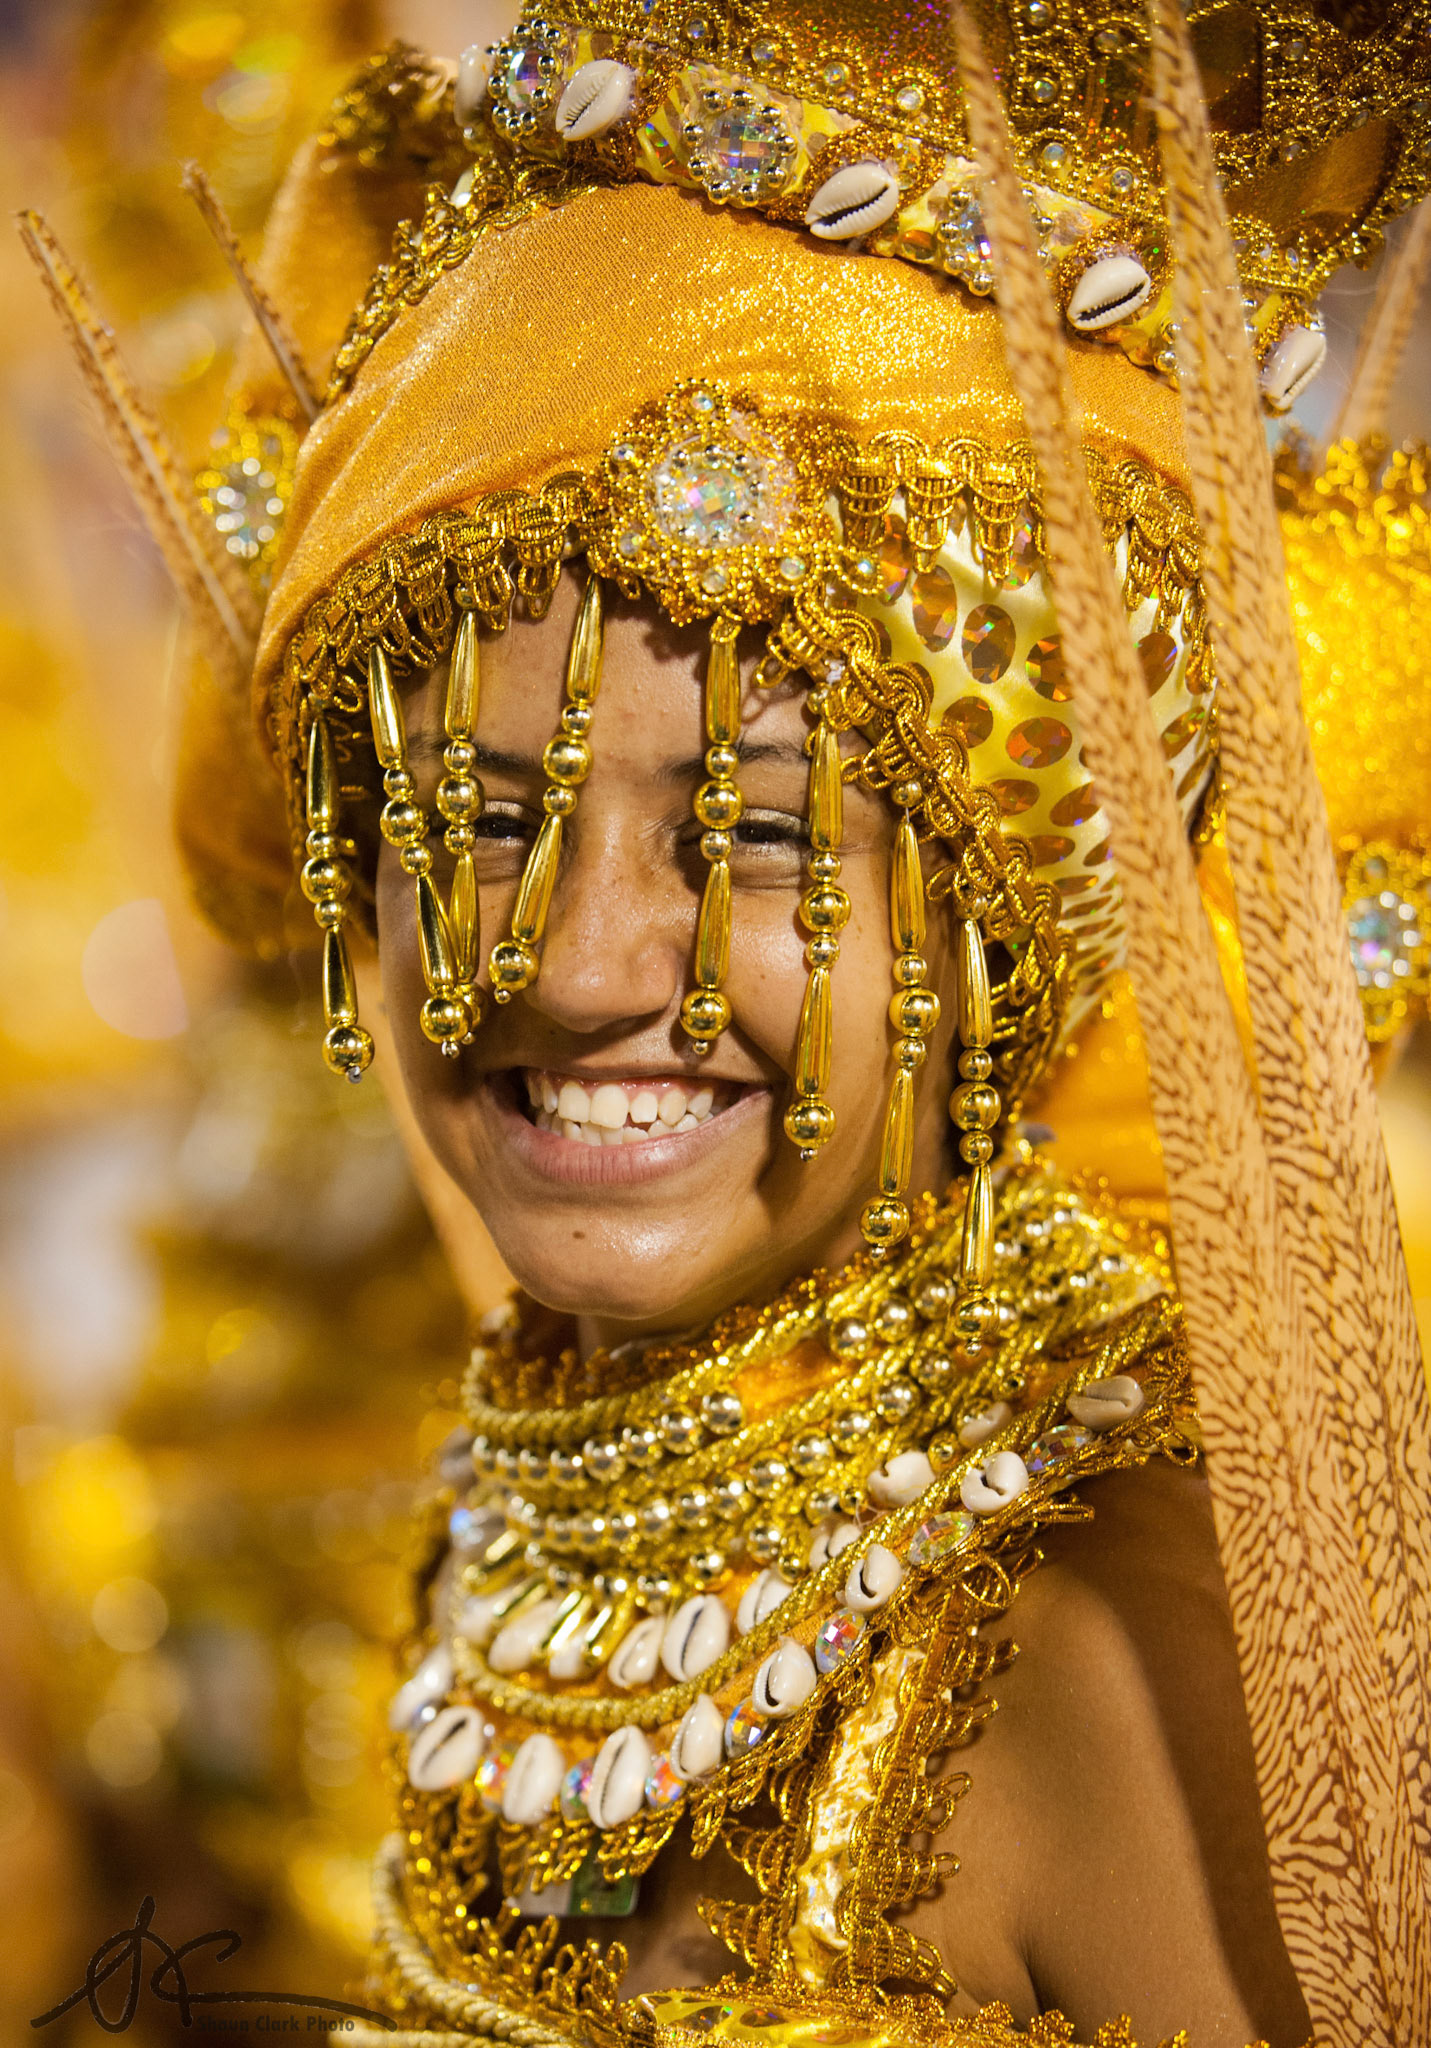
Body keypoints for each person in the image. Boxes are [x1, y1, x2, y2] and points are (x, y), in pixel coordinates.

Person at [24, 3, 1431, 2043]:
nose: (582, 965)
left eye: (757, 835)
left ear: (1002, 903)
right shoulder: (557, 1472)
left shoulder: (1118, 1634)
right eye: (478, 815)